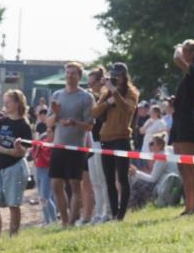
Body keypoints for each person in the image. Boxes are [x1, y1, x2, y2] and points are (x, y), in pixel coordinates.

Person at [92, 62, 140, 221]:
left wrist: (114, 92)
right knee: (109, 179)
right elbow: (94, 112)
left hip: (122, 138)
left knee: (122, 178)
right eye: (113, 76)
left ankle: (121, 215)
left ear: (124, 77)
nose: (115, 78)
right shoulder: (106, 93)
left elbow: (127, 109)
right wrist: (107, 102)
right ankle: (114, 214)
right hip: (106, 138)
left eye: (117, 76)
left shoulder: (131, 93)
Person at [49, 62, 95, 226]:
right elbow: (49, 123)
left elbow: (90, 125)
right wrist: (55, 114)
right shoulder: (56, 95)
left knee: (75, 185)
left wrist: (74, 123)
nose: (69, 76)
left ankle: (71, 222)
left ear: (79, 76)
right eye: (67, 73)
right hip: (58, 146)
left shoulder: (86, 97)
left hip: (77, 148)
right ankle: (64, 220)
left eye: (73, 73)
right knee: (56, 185)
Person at [0, 89, 33, 236]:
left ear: (18, 103)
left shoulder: (24, 125)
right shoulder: (1, 122)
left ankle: (13, 237)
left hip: (15, 168)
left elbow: (22, 152)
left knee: (13, 204)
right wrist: (8, 151)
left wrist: (17, 149)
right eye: (4, 101)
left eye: (9, 101)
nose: (5, 104)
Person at [170, 39, 194, 215]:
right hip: (178, 120)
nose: (182, 53)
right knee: (182, 167)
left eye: (185, 51)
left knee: (190, 165)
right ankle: (188, 206)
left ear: (192, 54)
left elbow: (176, 59)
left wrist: (178, 47)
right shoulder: (187, 76)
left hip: (187, 122)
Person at [85, 67, 111, 223]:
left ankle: (107, 212)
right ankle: (99, 212)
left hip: (103, 141)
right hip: (92, 141)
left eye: (92, 83)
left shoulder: (106, 99)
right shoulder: (92, 99)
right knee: (95, 180)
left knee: (103, 178)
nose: (90, 87)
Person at [128, 134, 180, 208]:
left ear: (159, 146)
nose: (150, 146)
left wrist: (136, 172)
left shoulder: (161, 158)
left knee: (137, 183)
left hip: (165, 185)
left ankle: (132, 207)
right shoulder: (168, 150)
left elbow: (152, 179)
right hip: (172, 182)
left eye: (152, 144)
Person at [34, 124, 57, 225]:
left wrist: (42, 147)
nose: (47, 134)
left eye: (50, 132)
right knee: (41, 197)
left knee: (45, 197)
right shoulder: (44, 140)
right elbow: (35, 155)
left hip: (47, 170)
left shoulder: (56, 143)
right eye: (47, 131)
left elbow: (49, 158)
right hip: (39, 168)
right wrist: (37, 146)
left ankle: (53, 221)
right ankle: (47, 221)